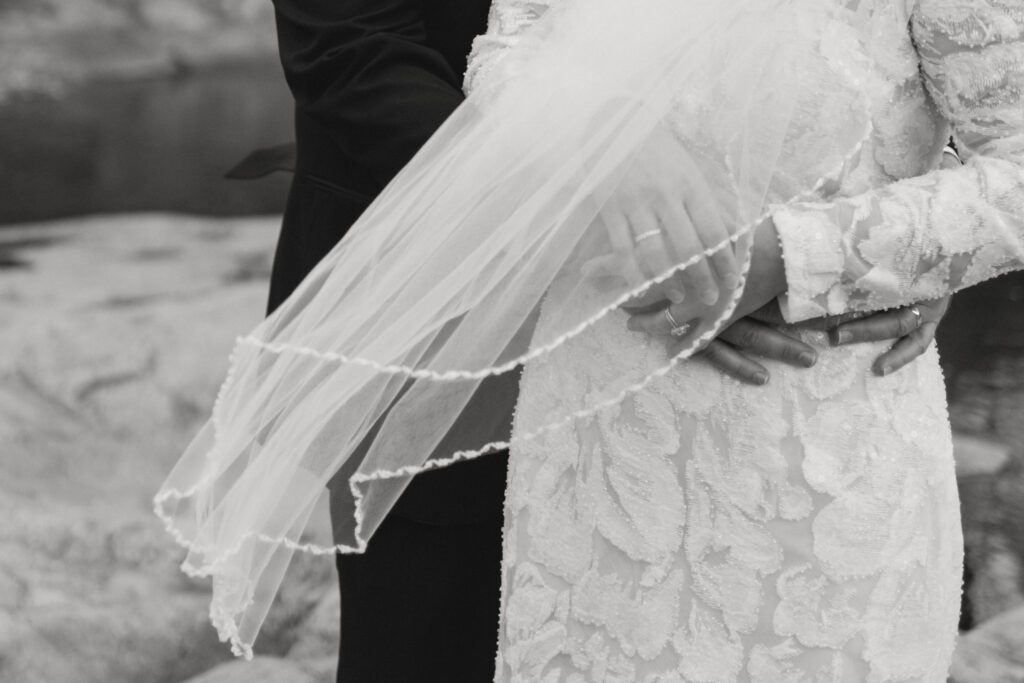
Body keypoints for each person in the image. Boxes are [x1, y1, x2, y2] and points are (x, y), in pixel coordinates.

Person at [153, 0, 1022, 680]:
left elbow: (953, 110)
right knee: (422, 649)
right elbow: (354, 59)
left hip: (788, 428)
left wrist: (876, 246)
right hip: (450, 336)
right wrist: (623, 220)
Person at [468, 0, 1024, 680]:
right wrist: (602, 135)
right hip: (599, 440)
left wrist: (798, 258)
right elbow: (506, 52)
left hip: (815, 476)